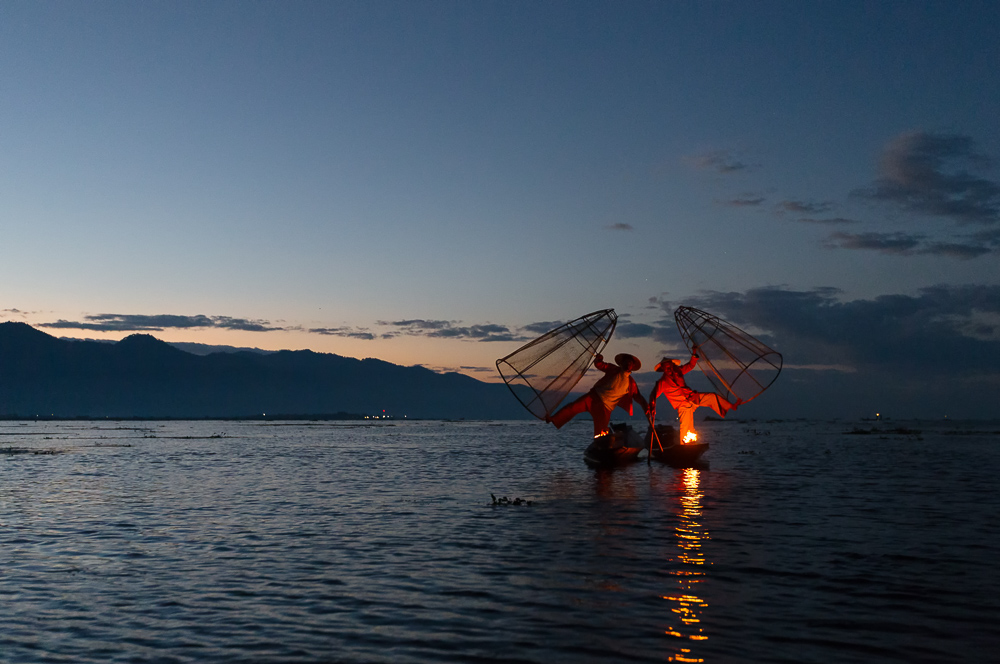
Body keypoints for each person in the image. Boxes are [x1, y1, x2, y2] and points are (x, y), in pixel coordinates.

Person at [647, 346, 738, 444]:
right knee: (686, 426)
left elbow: (690, 365)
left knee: (711, 396)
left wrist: (694, 354)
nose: (669, 369)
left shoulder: (678, 371)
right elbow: (653, 395)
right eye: (667, 367)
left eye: (670, 366)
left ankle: (730, 406)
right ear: (664, 369)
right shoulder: (663, 382)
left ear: (673, 365)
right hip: (682, 405)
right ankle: (686, 445)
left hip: (692, 397)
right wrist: (651, 405)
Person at [547, 353, 649, 437]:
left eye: (630, 362)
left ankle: (603, 446)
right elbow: (600, 365)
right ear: (622, 363)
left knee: (600, 431)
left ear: (632, 366)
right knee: (572, 407)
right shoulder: (613, 369)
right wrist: (599, 359)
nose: (628, 363)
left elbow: (638, 397)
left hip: (605, 407)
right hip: (593, 397)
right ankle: (554, 419)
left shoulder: (631, 383)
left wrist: (647, 407)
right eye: (626, 361)